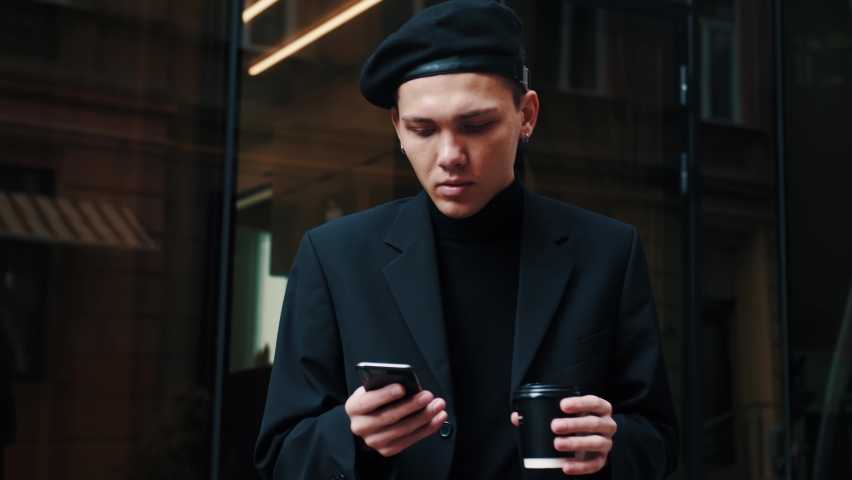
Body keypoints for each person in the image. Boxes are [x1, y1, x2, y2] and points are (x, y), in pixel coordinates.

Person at [255, 1, 679, 479]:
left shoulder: (608, 252)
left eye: (476, 126)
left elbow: (657, 438)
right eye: (423, 129)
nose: (450, 155)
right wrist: (351, 436)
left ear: (527, 116)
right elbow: (281, 453)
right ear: (397, 127)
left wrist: (611, 445)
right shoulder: (334, 257)